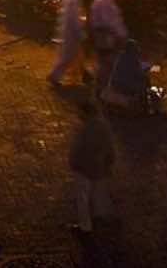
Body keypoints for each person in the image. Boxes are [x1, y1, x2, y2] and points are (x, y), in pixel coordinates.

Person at [67, 97, 116, 237]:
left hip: (83, 168)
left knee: (82, 197)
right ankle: (98, 218)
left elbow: (78, 149)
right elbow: (110, 147)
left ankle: (85, 227)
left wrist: (73, 162)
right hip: (98, 167)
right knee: (97, 194)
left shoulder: (85, 129)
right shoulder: (104, 127)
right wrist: (109, 163)